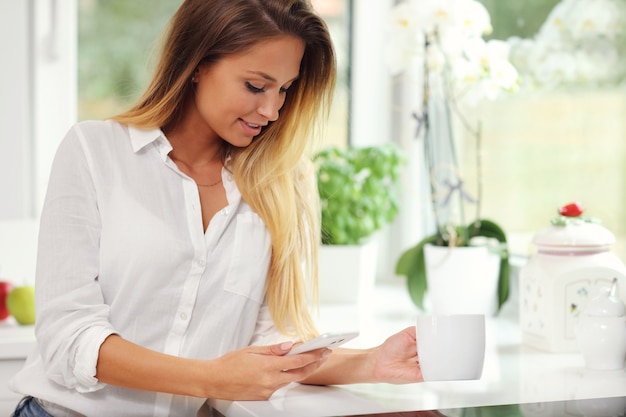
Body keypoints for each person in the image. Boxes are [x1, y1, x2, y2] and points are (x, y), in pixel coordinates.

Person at [10, 0, 422, 415]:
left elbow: (267, 345)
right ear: (197, 64)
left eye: (285, 89)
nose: (272, 110)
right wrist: (212, 378)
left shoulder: (278, 185)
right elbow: (68, 336)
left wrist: (371, 362)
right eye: (256, 86)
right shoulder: (95, 151)